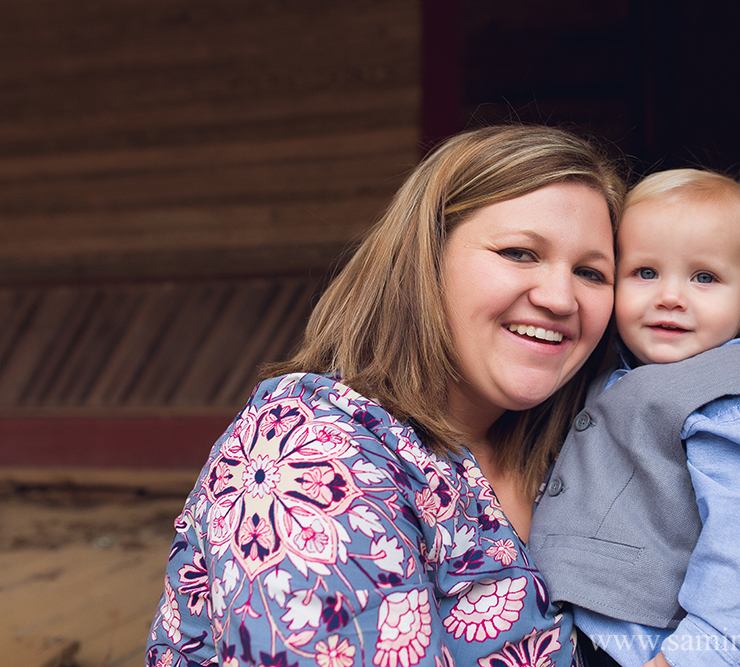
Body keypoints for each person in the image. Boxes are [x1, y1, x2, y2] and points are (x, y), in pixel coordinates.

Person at [145, 125, 626, 667]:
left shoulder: (577, 449)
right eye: (519, 253)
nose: (561, 298)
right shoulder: (310, 453)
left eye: (591, 272)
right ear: (426, 260)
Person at [530, 168, 740, 667]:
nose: (670, 295)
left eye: (704, 277)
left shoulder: (737, 406)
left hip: (653, 650)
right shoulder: (611, 378)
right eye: (645, 273)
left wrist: (695, 655)